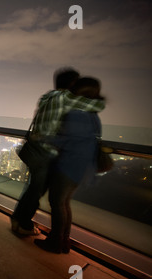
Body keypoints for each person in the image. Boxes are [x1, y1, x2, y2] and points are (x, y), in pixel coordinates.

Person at [11, 68, 105, 236]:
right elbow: (97, 105)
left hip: (34, 149)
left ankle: (18, 219)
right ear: (71, 84)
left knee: (33, 188)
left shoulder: (46, 97)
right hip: (46, 152)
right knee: (37, 191)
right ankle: (23, 224)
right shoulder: (65, 98)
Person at [34, 77, 104, 253]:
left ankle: (55, 242)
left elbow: (66, 141)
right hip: (83, 167)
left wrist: (42, 137)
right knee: (65, 203)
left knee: (57, 202)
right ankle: (64, 242)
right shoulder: (94, 115)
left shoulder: (76, 113)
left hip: (68, 165)